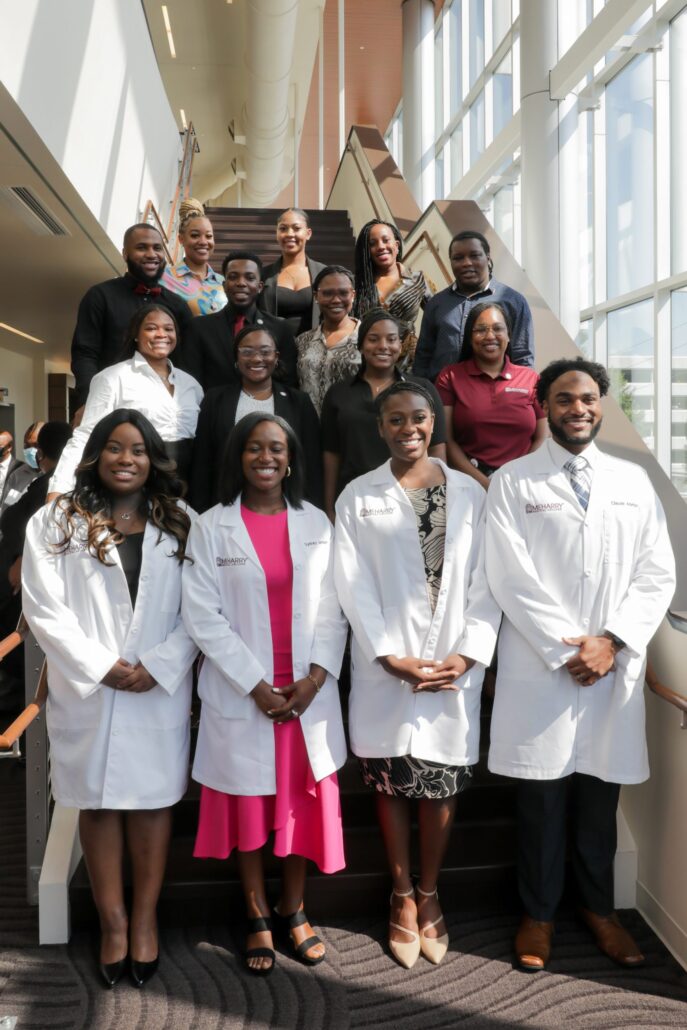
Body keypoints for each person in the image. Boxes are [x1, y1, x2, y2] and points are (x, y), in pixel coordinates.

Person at [485, 357, 676, 972]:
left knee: (599, 797)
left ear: (601, 404)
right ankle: (538, 915)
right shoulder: (513, 481)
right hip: (545, 664)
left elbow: (657, 572)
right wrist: (570, 649)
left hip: (609, 665)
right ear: (543, 405)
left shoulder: (632, 481)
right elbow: (508, 574)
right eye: (564, 398)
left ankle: (600, 912)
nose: (578, 408)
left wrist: (611, 642)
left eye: (589, 398)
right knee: (540, 800)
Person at [21, 409, 198, 989]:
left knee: (151, 804)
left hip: (155, 686)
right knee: (95, 804)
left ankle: (144, 920)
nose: (127, 459)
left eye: (139, 449)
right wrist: (101, 666)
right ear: (96, 454)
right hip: (90, 688)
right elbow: (43, 606)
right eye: (116, 447)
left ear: (153, 459)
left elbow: (204, 609)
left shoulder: (182, 522)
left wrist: (161, 664)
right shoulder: (56, 522)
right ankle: (113, 924)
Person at [334, 380, 500, 968]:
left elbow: (489, 578)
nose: (409, 428)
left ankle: (430, 893)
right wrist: (387, 655)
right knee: (391, 781)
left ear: (435, 423)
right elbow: (349, 581)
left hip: (454, 659)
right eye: (396, 419)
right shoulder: (358, 495)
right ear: (380, 428)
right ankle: (401, 894)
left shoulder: (471, 493)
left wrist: (469, 652)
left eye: (419, 417)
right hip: (388, 666)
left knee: (442, 781)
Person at [182, 413, 348, 976]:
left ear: (292, 459)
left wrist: (315, 679)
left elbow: (334, 605)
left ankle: (293, 907)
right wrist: (255, 685)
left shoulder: (316, 522)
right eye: (254, 448)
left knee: (298, 802)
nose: (266, 458)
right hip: (246, 693)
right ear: (238, 457)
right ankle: (255, 913)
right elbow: (202, 615)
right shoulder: (212, 526)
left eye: (277, 448)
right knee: (250, 805)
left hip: (305, 696)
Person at [51, 305, 202, 494]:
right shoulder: (113, 377)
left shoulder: (191, 384)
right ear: (136, 335)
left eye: (168, 329)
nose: (161, 334)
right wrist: (58, 489)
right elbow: (85, 436)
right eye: (151, 328)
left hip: (187, 488)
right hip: (134, 484)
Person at [321, 309, 446, 522]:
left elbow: (437, 449)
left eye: (391, 339)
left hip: (412, 498)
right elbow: (331, 454)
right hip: (355, 501)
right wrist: (329, 508)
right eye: (373, 339)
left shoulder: (422, 390)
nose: (383, 346)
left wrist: (439, 497)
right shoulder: (339, 393)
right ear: (360, 345)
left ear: (400, 345)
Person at [190, 325, 322, 511]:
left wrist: (312, 510)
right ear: (236, 357)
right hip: (225, 505)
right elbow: (202, 463)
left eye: (265, 352)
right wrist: (200, 511)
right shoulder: (215, 400)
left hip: (286, 506)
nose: (257, 358)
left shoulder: (299, 402)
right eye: (247, 352)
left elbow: (312, 463)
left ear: (276, 357)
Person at [71, 224, 194, 409]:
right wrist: (90, 401)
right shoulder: (100, 296)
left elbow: (186, 360)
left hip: (166, 406)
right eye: (141, 247)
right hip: (113, 403)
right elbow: (85, 354)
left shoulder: (178, 305)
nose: (151, 254)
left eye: (157, 248)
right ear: (125, 254)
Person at [436, 301, 547, 490]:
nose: (489, 336)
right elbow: (447, 440)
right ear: (470, 337)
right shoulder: (450, 377)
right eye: (480, 330)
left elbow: (542, 438)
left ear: (509, 335)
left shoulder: (531, 379)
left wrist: (518, 479)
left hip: (523, 484)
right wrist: (486, 486)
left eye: (498, 329)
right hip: (470, 485)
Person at [413, 230, 534, 382]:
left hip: (495, 391)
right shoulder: (436, 304)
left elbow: (523, 357)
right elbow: (423, 357)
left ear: (488, 258)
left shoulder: (513, 302)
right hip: (440, 392)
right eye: (458, 258)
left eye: (474, 255)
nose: (467, 263)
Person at [183, 251, 297, 391]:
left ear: (260, 287)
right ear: (224, 285)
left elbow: (288, 382)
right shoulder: (199, 328)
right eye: (233, 277)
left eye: (250, 278)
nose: (241, 283)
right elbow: (190, 383)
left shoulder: (280, 329)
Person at [353, 219, 433, 370]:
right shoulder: (358, 285)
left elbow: (438, 318)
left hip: (409, 365)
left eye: (385, 240)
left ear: (396, 245)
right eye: (372, 243)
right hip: (367, 364)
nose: (380, 246)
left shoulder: (418, 280)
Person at [296, 265, 360, 414]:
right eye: (327, 293)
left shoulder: (368, 339)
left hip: (353, 425)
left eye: (343, 293)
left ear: (353, 295)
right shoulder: (302, 341)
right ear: (316, 296)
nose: (336, 300)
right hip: (309, 425)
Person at [260, 209, 326, 335]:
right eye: (283, 229)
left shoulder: (324, 274)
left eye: (296, 228)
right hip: (273, 344)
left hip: (315, 344)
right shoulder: (263, 276)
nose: (290, 234)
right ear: (277, 233)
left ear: (308, 233)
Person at [160, 198, 226, 316]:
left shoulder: (223, 281)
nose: (203, 242)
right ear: (181, 239)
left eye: (208, 236)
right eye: (195, 235)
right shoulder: (164, 278)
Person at [0, 422, 44, 514]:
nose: (31, 450)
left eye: (36, 445)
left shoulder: (58, 474)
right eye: (26, 445)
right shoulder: (16, 475)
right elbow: (6, 508)